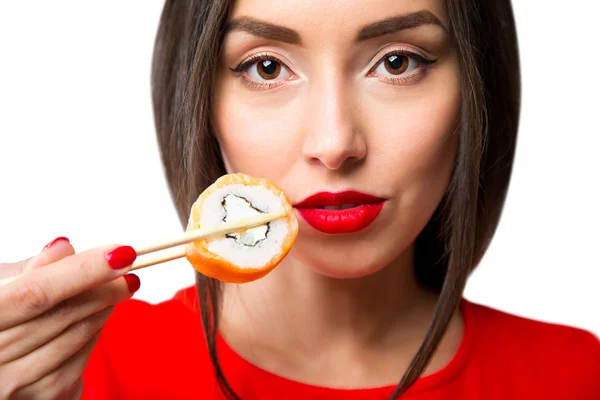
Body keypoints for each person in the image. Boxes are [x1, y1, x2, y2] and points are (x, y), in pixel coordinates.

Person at [0, 0, 598, 399]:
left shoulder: (574, 376)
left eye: (397, 62)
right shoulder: (74, 370)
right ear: (200, 98)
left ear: (477, 88)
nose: (334, 143)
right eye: (265, 67)